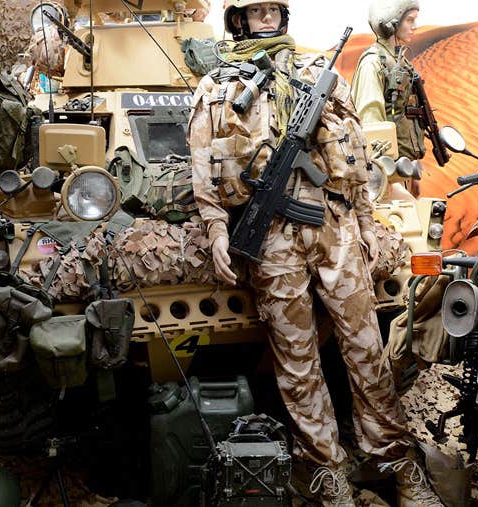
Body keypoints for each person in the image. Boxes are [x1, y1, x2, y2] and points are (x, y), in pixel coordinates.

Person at [188, 1, 442, 505]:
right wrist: (218, 230)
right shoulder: (217, 87)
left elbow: (356, 154)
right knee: (297, 364)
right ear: (237, 20)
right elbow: (204, 166)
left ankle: (396, 460)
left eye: (271, 10)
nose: (265, 19)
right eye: (254, 12)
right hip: (270, 242)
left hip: (336, 228)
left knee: (367, 347)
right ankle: (324, 468)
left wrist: (367, 222)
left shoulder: (315, 73)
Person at [351, 0, 425, 197]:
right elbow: (370, 126)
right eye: (409, 20)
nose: (414, 26)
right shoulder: (373, 63)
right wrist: (389, 180)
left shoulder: (398, 61)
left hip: (401, 171)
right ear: (390, 23)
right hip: (382, 177)